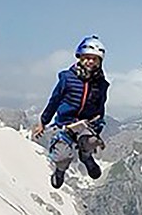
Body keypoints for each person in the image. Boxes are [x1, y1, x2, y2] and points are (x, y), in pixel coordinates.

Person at [32, 35, 110, 188]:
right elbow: (54, 101)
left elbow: (100, 107)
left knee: (91, 142)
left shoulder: (101, 84)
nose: (90, 61)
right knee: (62, 157)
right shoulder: (67, 79)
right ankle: (60, 170)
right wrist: (43, 121)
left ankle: (86, 157)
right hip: (65, 125)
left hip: (86, 125)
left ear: (100, 62)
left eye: (95, 59)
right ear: (80, 57)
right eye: (87, 57)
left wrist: (98, 129)